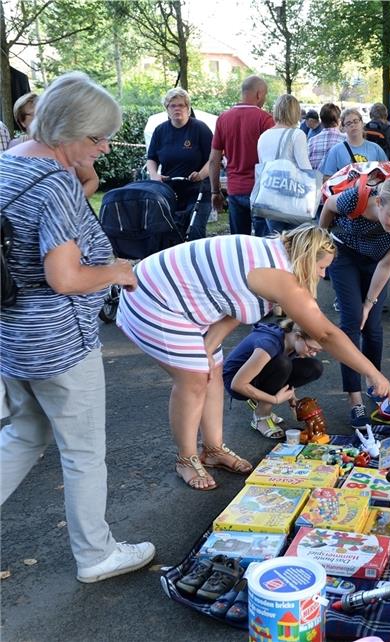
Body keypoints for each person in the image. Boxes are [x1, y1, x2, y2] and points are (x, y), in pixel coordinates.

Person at [0, 71, 155, 584]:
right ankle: (96, 555)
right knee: (85, 453)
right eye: (96, 138)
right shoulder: (55, 184)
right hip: (58, 344)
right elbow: (65, 277)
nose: (105, 147)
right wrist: (117, 271)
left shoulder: (8, 163)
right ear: (66, 130)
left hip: (12, 334)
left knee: (25, 432)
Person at [117, 224, 390, 490]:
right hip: (152, 298)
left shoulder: (273, 255)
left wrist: (209, 346)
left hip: (182, 302)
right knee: (193, 381)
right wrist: (373, 372)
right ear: (307, 259)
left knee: (210, 372)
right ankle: (186, 458)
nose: (322, 276)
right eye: (321, 267)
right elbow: (327, 335)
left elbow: (233, 300)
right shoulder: (280, 276)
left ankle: (212, 449)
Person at [319, 177, 390, 428]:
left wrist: (369, 303)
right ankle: (355, 400)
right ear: (379, 202)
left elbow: (387, 264)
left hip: (376, 262)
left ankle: (375, 385)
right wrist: (320, 245)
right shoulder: (356, 198)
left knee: (372, 325)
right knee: (352, 321)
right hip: (344, 254)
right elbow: (329, 207)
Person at [223, 319, 323, 438]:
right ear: (298, 336)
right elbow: (237, 385)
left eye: (317, 351)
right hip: (236, 380)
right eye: (311, 348)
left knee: (314, 367)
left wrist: (292, 398)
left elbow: (283, 369)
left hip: (257, 372)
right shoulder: (269, 344)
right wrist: (274, 399)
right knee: (283, 363)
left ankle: (259, 400)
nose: (313, 353)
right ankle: (261, 416)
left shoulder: (291, 341)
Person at [209, 75, 275, 236]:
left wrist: (215, 191)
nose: (264, 99)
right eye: (264, 95)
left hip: (235, 190)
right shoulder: (265, 119)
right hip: (260, 191)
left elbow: (213, 160)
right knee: (264, 243)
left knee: (239, 243)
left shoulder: (223, 118)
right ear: (259, 94)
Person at [146, 88, 213, 241]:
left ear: (187, 108)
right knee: (173, 230)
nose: (177, 109)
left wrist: (201, 174)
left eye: (181, 105)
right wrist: (154, 176)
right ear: (167, 109)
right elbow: (151, 158)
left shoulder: (200, 128)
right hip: (171, 190)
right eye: (172, 105)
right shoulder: (160, 131)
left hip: (199, 190)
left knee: (195, 229)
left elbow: (214, 158)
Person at [8, 92, 99, 196]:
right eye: (35, 114)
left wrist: (73, 202)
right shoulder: (13, 147)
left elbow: (92, 180)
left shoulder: (67, 143)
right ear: (21, 121)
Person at [255, 93, 312, 234]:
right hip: (292, 201)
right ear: (295, 112)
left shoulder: (263, 136)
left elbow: (263, 166)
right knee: (298, 246)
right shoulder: (297, 135)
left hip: (269, 201)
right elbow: (306, 170)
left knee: (277, 245)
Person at [320, 108, 387, 182]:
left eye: (356, 121)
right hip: (346, 193)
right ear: (343, 128)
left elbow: (387, 173)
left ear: (362, 123)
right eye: (348, 123)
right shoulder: (335, 151)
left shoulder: (376, 149)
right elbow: (327, 179)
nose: (353, 125)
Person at [307, 103, 344, 171]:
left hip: (316, 180)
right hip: (338, 180)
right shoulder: (346, 140)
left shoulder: (311, 142)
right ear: (339, 120)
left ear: (321, 120)